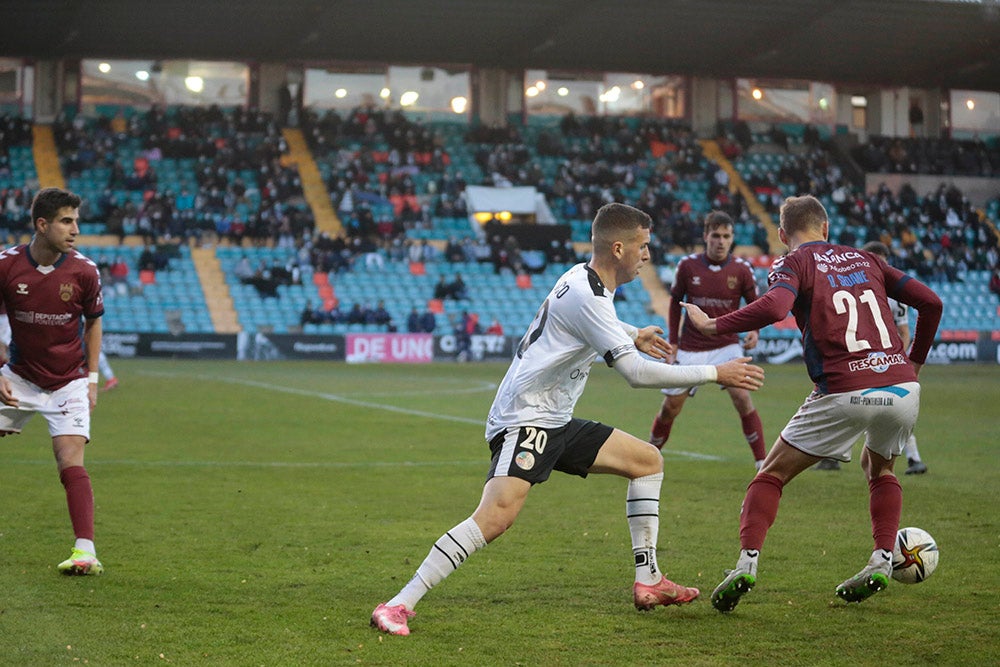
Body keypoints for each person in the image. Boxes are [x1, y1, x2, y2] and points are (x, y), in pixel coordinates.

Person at [371, 203, 765, 636]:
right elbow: (635, 374)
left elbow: (594, 319)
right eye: (643, 246)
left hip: (554, 418)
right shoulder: (586, 293)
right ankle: (397, 604)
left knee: (647, 461)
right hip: (525, 419)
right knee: (496, 517)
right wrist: (715, 372)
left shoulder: (583, 279)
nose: (647, 255)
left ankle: (649, 580)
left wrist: (634, 332)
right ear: (618, 249)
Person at [679, 195, 942, 612]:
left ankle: (745, 565)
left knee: (771, 475)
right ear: (825, 228)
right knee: (880, 468)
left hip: (843, 386)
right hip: (902, 388)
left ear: (783, 235)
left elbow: (777, 305)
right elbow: (932, 302)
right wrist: (915, 363)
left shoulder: (794, 261)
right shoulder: (867, 259)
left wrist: (713, 324)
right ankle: (881, 557)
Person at [0, 187, 108, 575]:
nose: (75, 229)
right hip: (19, 378)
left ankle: (85, 551)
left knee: (68, 458)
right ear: (42, 224)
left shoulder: (84, 270)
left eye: (76, 220)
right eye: (66, 221)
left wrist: (92, 379)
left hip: (69, 381)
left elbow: (94, 322)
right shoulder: (6, 265)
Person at [648, 211, 766, 469]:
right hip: (691, 348)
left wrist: (755, 330)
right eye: (716, 235)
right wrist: (674, 343)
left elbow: (756, 305)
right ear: (705, 237)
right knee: (670, 407)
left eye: (726, 236)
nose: (721, 241)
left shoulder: (742, 269)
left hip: (727, 346)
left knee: (742, 397)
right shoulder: (688, 266)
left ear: (732, 238)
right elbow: (675, 304)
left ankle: (761, 461)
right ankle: (648, 456)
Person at [817, 241, 928, 475]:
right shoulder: (849, 290)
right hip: (857, 360)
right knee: (869, 409)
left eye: (883, 263)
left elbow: (904, 331)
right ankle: (831, 457)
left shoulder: (896, 298)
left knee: (886, 411)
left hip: (886, 364)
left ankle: (914, 459)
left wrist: (898, 358)